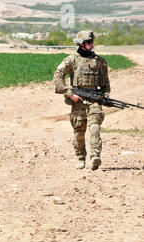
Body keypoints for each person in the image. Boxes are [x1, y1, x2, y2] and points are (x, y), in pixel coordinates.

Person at [53, 30, 110, 170]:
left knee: (95, 126)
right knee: (79, 131)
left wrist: (105, 97)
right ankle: (80, 157)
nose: (91, 45)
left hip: (94, 99)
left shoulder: (100, 61)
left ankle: (95, 156)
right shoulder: (71, 59)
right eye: (88, 42)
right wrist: (69, 93)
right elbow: (57, 76)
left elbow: (106, 83)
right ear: (81, 44)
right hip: (78, 101)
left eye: (92, 42)